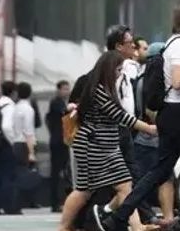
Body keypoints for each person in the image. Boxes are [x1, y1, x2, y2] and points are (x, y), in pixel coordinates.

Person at [100, 0, 180, 231]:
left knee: (159, 171)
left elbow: (175, 79)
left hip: (168, 113)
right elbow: (177, 81)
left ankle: (118, 217)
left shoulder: (172, 43)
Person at [61, 51, 159, 231]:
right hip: (93, 146)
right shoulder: (99, 91)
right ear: (108, 69)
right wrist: (148, 128)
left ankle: (116, 217)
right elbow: (120, 116)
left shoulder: (101, 88)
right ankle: (66, 226)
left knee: (117, 185)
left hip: (103, 145)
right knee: (88, 189)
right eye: (118, 69)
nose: (120, 73)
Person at [129, 42, 180, 227]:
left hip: (148, 138)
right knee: (146, 182)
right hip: (149, 137)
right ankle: (150, 219)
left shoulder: (142, 78)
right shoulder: (150, 80)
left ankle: (166, 219)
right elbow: (150, 110)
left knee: (162, 177)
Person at [0, 80, 21, 215]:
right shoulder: (9, 106)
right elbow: (6, 127)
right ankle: (8, 206)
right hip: (5, 144)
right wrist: (13, 142)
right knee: (8, 175)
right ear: (14, 92)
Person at [12, 81, 39, 209]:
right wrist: (32, 152)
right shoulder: (28, 109)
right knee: (24, 175)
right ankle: (19, 204)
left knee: (16, 174)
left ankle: (14, 204)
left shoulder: (15, 107)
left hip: (15, 142)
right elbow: (28, 131)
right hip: (24, 144)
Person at [46, 80, 72, 211]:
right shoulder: (56, 103)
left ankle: (64, 201)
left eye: (68, 89)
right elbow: (64, 112)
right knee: (56, 174)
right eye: (64, 89)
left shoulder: (63, 103)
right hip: (58, 143)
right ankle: (54, 203)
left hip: (63, 142)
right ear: (58, 90)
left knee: (67, 174)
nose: (66, 91)